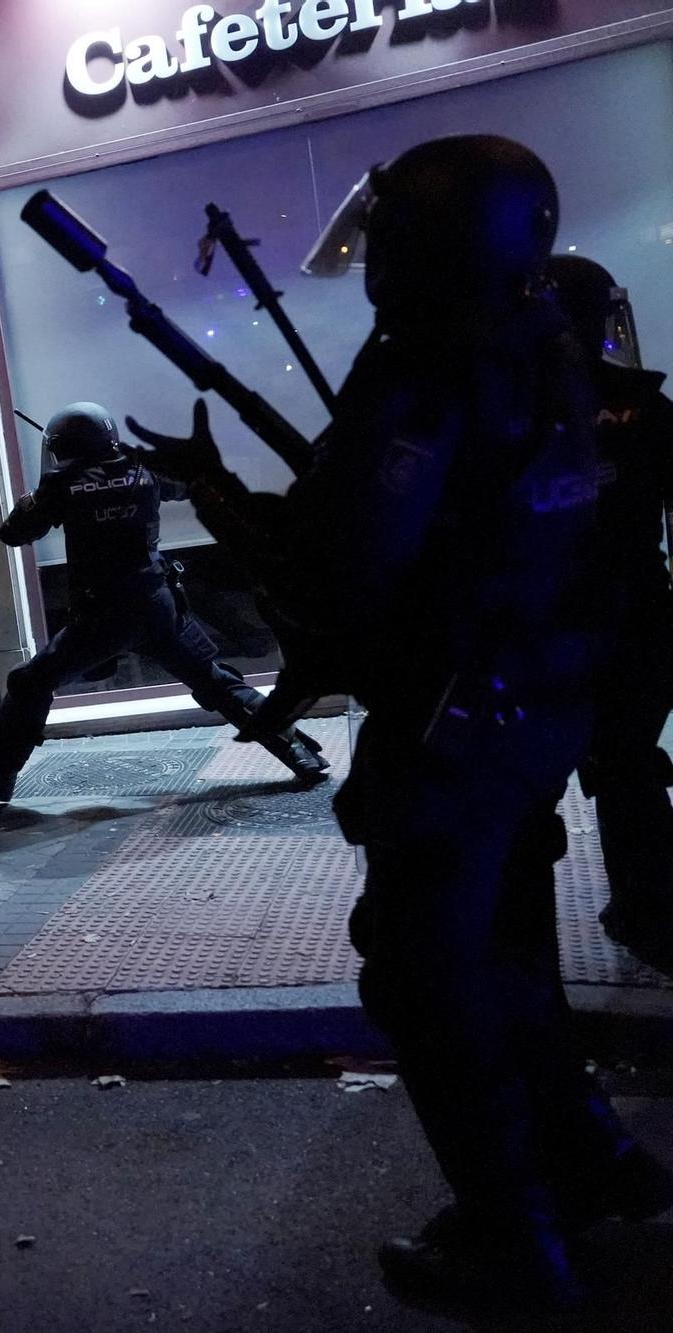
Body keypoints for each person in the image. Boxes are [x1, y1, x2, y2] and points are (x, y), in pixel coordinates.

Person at [132, 136, 667, 1311]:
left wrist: (226, 503)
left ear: (427, 240)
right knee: (512, 951)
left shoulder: (430, 366)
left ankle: (510, 1242)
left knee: (427, 979)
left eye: (384, 233)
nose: (368, 256)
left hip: (450, 724)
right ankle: (589, 1159)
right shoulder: (546, 344)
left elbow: (345, 569)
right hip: (532, 713)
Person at [0, 402, 327, 803]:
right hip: (158, 604)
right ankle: (301, 755)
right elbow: (185, 487)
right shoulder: (142, 468)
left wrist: (35, 497)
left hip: (101, 618)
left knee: (29, 683)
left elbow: (14, 534)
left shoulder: (62, 482)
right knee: (214, 681)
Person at [547, 255, 673, 976]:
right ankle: (650, 911)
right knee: (629, 772)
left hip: (548, 630)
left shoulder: (513, 407)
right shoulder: (645, 406)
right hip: (641, 623)